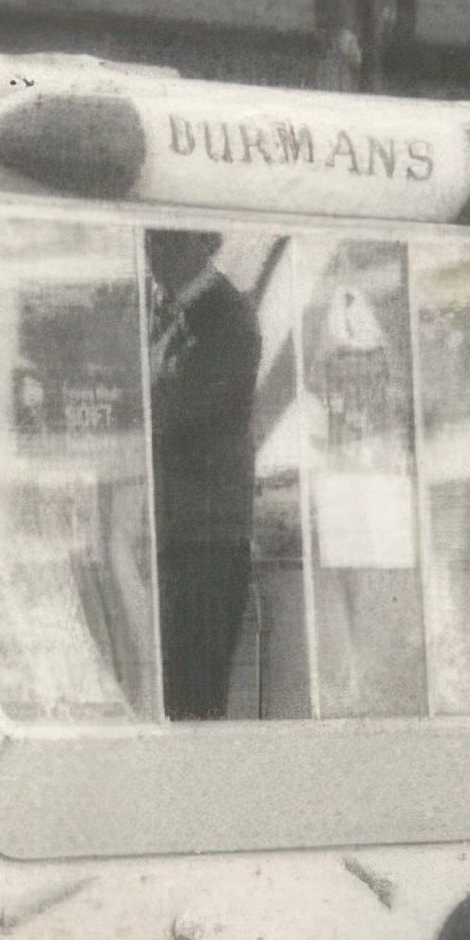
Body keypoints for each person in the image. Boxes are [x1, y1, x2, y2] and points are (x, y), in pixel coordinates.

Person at [145, 230, 262, 722]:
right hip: (176, 535)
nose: (151, 255)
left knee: (193, 699)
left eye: (158, 243)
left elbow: (183, 414)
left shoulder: (227, 320)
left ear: (189, 248)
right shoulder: (172, 318)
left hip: (208, 540)